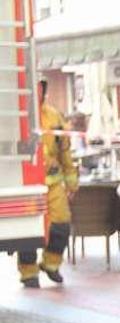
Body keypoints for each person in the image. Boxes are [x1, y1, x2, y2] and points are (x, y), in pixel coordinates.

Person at [18, 80, 78, 288]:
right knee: (28, 230)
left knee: (62, 223)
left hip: (52, 183)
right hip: (26, 183)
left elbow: (65, 151)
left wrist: (72, 183)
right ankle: (28, 272)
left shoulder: (53, 116)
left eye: (41, 87)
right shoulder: (18, 116)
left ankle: (51, 264)